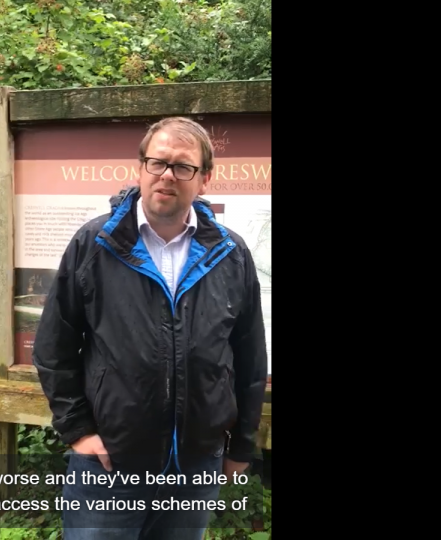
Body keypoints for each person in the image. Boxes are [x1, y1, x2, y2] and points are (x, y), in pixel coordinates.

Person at [33, 117, 268, 539]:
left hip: (196, 463)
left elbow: (250, 357)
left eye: (183, 167)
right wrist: (78, 431)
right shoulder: (95, 244)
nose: (167, 175)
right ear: (140, 167)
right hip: (110, 461)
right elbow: (54, 345)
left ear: (204, 179)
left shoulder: (230, 254)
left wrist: (241, 446)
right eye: (157, 162)